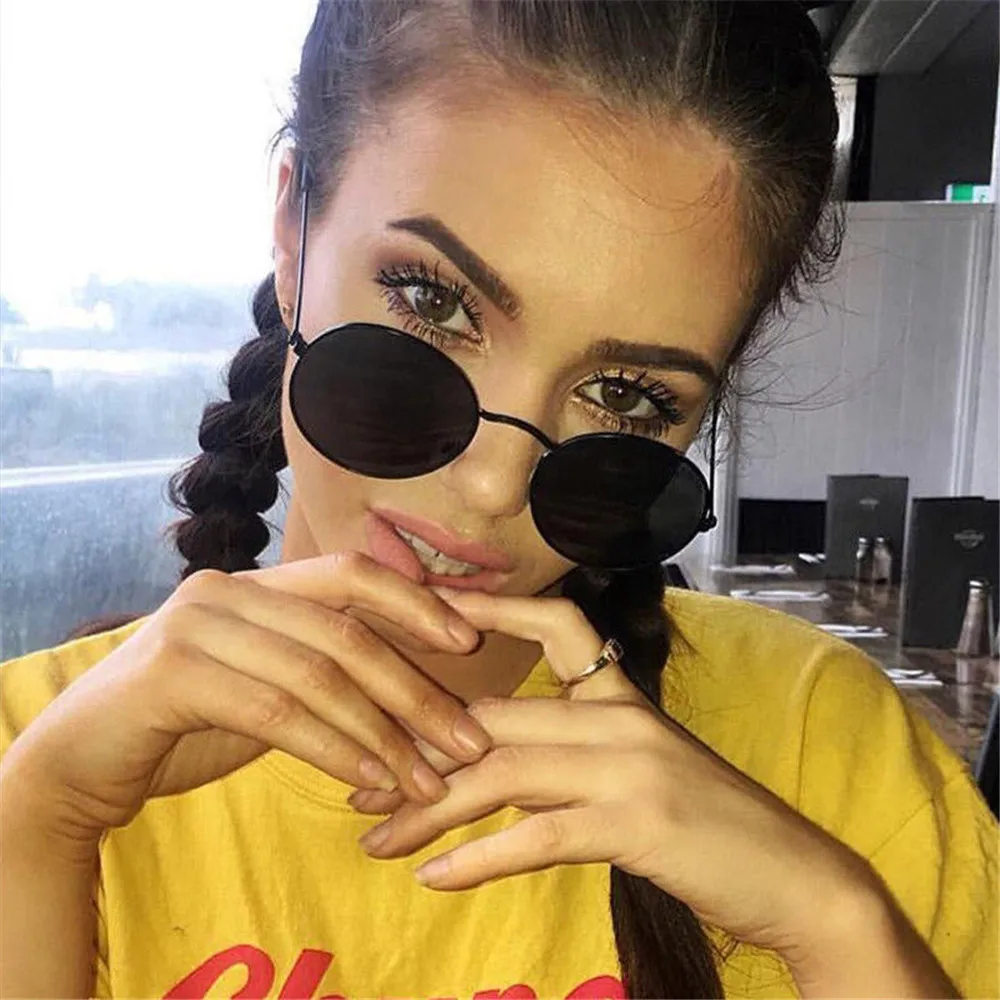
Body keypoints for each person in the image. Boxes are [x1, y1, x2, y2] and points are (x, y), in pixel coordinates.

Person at [1, 2, 996, 997]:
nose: (492, 483)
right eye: (432, 303)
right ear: (292, 234)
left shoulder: (826, 749)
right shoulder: (31, 749)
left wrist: (838, 927)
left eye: (625, 397)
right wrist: (36, 834)